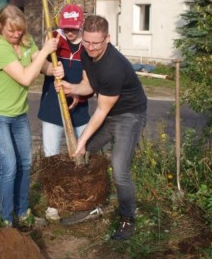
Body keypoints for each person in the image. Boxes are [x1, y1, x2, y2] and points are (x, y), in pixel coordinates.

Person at [55, 15, 147, 240]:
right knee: (86, 156)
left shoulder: (113, 66)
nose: (91, 47)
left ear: (108, 38)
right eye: (86, 42)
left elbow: (101, 111)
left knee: (119, 168)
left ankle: (127, 220)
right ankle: (91, 206)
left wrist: (82, 139)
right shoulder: (87, 53)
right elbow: (89, 84)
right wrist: (73, 88)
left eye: (96, 43)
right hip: (110, 113)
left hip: (129, 116)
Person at [0, 4, 58, 227]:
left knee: (25, 162)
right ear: (1, 25)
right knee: (9, 165)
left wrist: (54, 70)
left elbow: (41, 68)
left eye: (20, 30)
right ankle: (5, 220)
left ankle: (23, 213)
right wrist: (44, 51)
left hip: (18, 113)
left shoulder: (26, 41)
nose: (16, 35)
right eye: (11, 30)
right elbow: (24, 78)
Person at [38, 3, 90, 157]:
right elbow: (40, 64)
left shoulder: (88, 44)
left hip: (79, 109)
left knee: (83, 154)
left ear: (81, 24)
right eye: (66, 28)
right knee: (51, 157)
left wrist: (77, 90)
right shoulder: (54, 37)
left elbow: (91, 81)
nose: (69, 32)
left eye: (73, 28)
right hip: (52, 107)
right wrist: (51, 68)